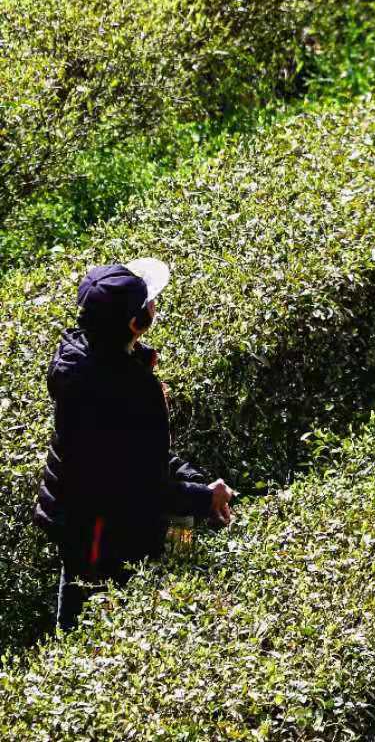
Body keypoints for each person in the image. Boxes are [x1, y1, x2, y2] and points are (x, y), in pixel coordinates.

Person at [33, 259, 235, 631]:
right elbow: (142, 487)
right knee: (92, 618)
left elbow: (135, 454)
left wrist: (195, 480)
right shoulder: (127, 389)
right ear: (134, 323)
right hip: (100, 527)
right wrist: (204, 498)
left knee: (75, 596)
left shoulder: (77, 355)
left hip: (76, 511)